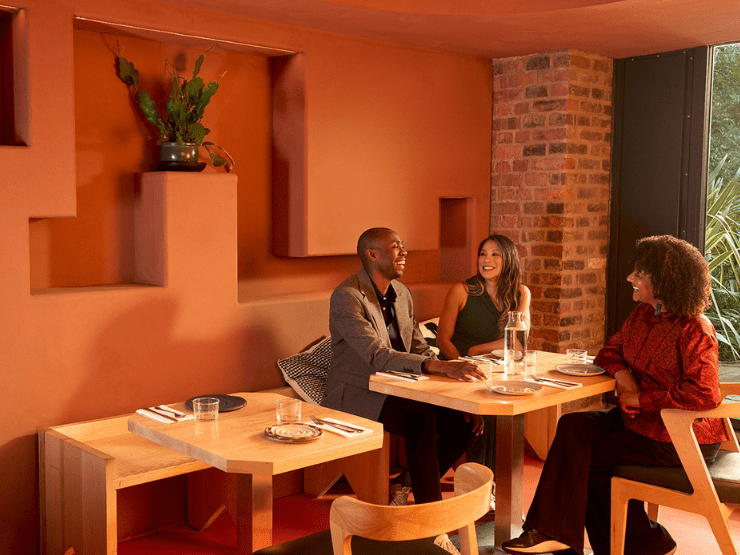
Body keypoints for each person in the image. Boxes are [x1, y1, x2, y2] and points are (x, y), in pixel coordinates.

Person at [502, 235, 728, 555]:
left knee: (594, 459)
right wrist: (625, 378)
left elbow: (703, 393)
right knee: (573, 425)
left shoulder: (695, 328)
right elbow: (609, 351)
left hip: (683, 437)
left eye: (640, 273)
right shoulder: (642, 315)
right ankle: (551, 533)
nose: (630, 278)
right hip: (640, 422)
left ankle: (636, 544)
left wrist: (642, 400)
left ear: (663, 281)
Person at [322, 227, 486, 505]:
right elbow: (376, 355)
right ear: (372, 254)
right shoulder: (347, 296)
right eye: (396, 246)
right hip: (359, 390)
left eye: (403, 245)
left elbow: (418, 346)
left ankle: (404, 483)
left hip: (403, 386)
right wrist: (439, 367)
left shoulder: (402, 292)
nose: (404, 251)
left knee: (465, 422)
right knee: (421, 420)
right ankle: (430, 517)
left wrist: (452, 383)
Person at [436, 234, 531, 491]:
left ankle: (490, 487)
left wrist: (478, 349)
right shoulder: (461, 291)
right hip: (457, 372)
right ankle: (482, 488)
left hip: (495, 373)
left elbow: (518, 344)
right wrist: (461, 369)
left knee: (501, 410)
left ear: (508, 259)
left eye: (494, 254)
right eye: (482, 254)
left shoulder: (521, 293)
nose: (486, 260)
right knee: (485, 412)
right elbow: (442, 340)